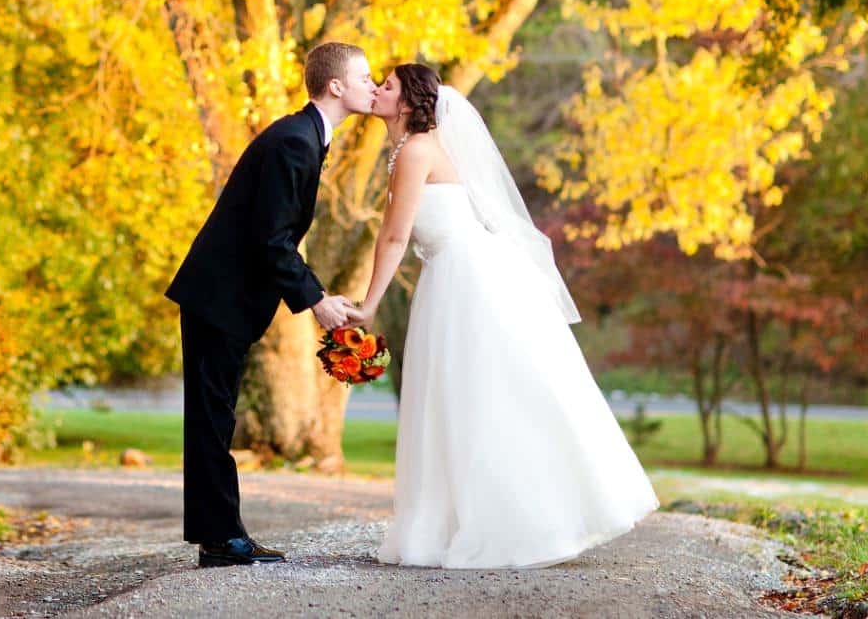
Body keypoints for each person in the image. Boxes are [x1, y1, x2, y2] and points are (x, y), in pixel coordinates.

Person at [359, 63, 658, 569]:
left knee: (484, 395)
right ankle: (460, 520)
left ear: (407, 103)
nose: (375, 91)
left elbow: (393, 237)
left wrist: (366, 306)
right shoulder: (411, 148)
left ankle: (520, 521)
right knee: (465, 397)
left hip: (465, 279)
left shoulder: (415, 149)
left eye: (385, 86)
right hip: (452, 274)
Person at [164, 41, 376, 568]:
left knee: (215, 415)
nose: (373, 86)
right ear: (336, 86)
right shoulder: (295, 143)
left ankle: (220, 536)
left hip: (226, 297)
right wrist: (317, 302)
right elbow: (272, 239)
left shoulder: (304, 137)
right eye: (365, 77)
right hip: (219, 296)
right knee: (213, 418)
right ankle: (221, 540)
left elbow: (273, 237)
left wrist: (318, 295)